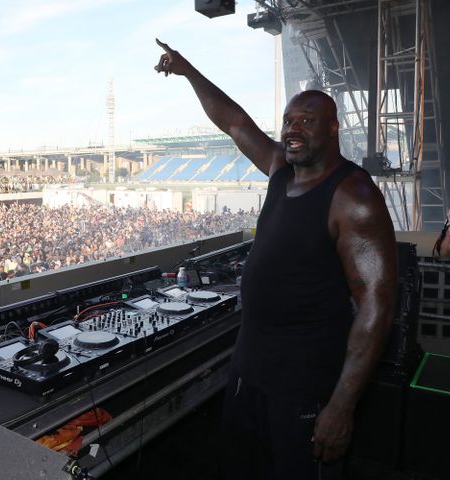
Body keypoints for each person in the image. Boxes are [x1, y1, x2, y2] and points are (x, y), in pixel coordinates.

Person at [155, 39, 397, 478]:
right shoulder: (279, 168)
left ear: (333, 128)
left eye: (307, 120)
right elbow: (233, 121)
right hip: (250, 372)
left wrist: (342, 406)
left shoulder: (354, 197)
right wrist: (189, 71)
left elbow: (376, 311)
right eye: (288, 120)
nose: (293, 129)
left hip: (307, 387)